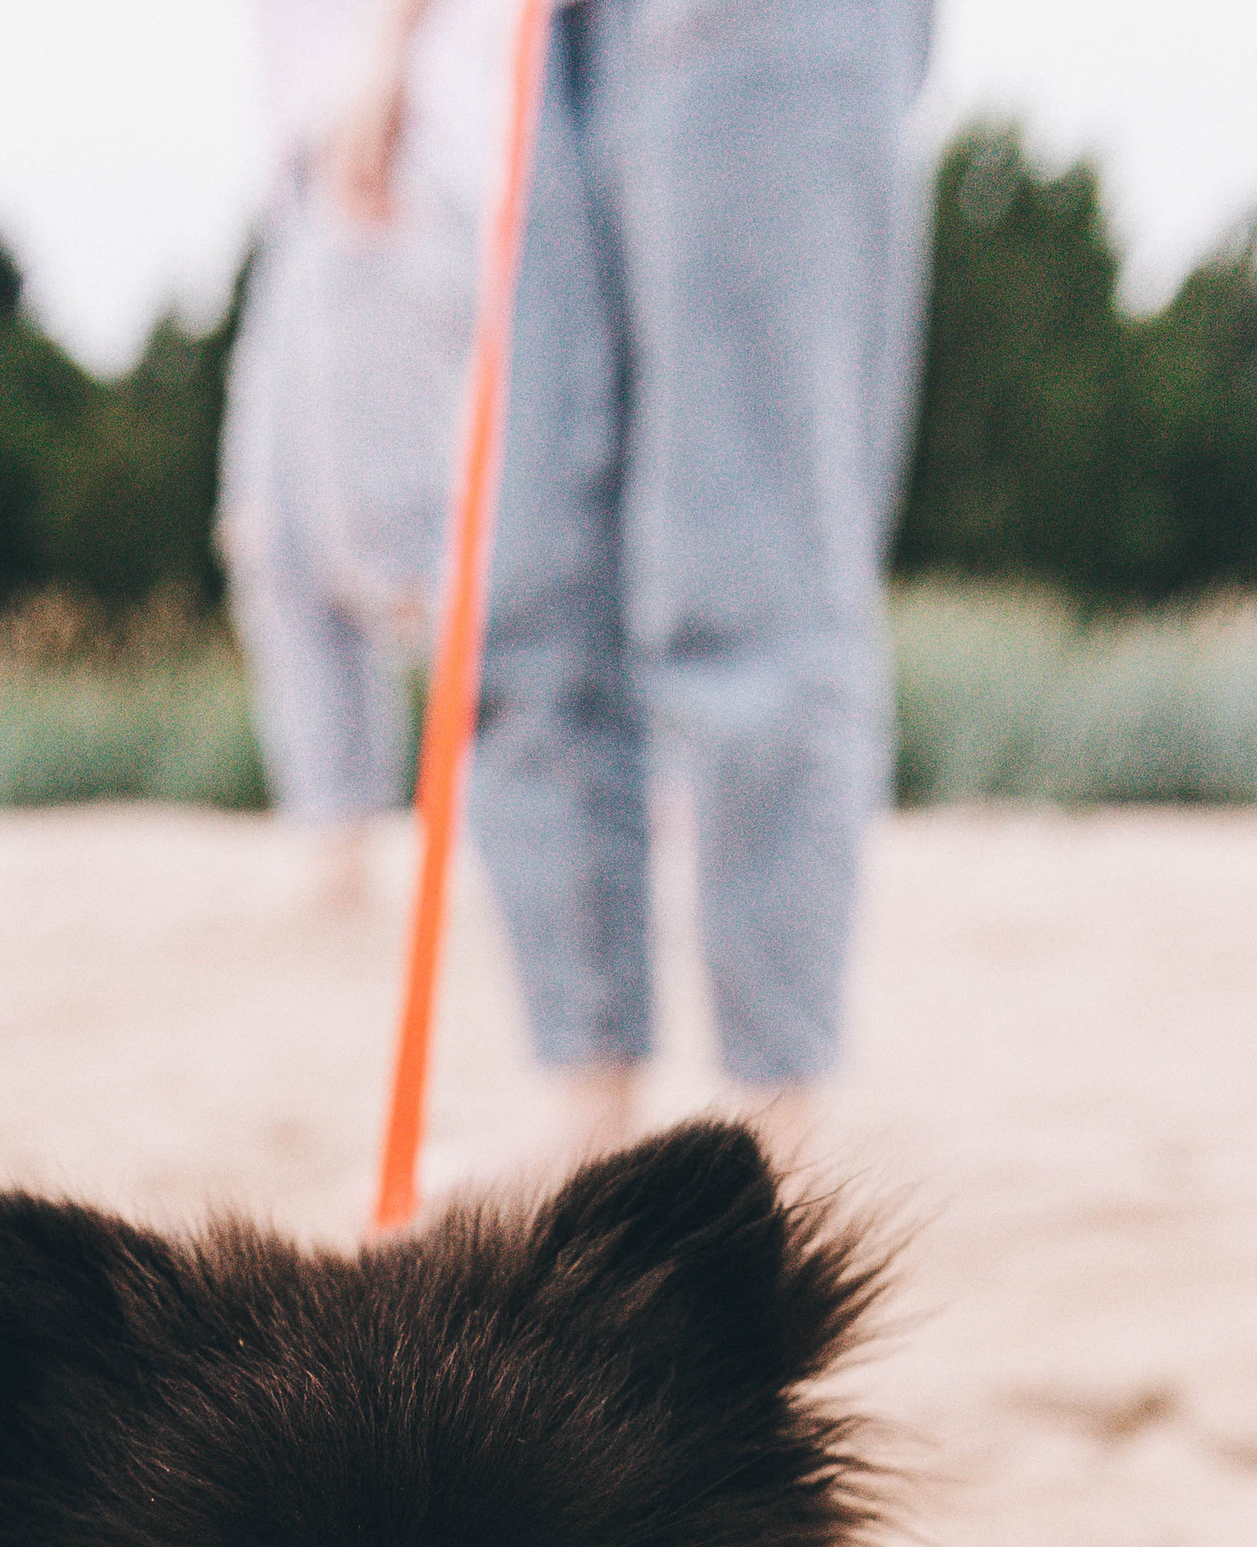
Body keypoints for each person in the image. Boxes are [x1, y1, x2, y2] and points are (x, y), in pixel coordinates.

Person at [348, 0, 936, 1161]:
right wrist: (394, 38)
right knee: (525, 592)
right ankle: (589, 1102)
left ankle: (773, 1119)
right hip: (557, 32)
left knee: (744, 566)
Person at [220, 0, 510, 905]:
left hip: (392, 160)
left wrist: (381, 86)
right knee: (275, 535)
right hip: (312, 187)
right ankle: (338, 846)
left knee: (401, 546)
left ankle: (573, 808)